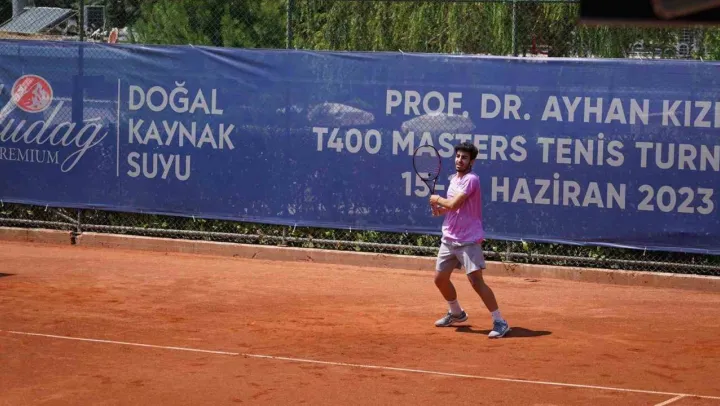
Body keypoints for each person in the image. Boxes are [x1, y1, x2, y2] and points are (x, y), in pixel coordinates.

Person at [428, 141, 510, 339]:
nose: (459, 160)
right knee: (440, 279)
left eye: (464, 157)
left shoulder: (472, 180)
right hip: (449, 237)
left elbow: (454, 204)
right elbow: (451, 208)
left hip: (468, 239)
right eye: (457, 156)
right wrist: (440, 210)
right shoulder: (454, 180)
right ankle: (456, 312)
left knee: (476, 281)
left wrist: (437, 200)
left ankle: (500, 321)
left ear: (471, 161)